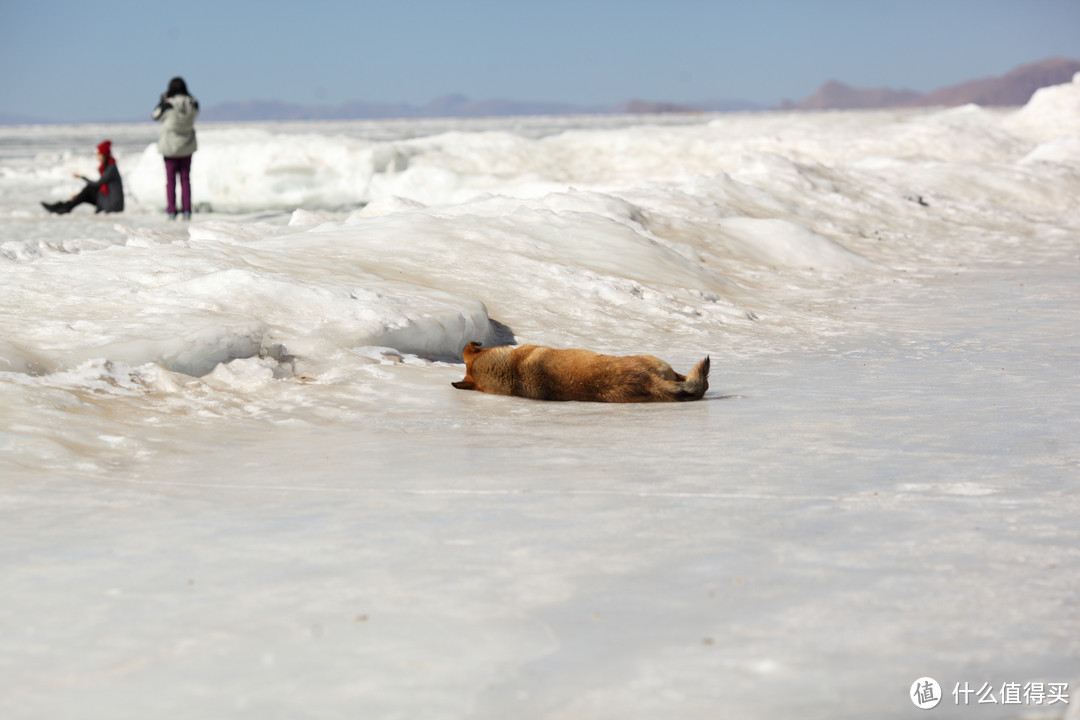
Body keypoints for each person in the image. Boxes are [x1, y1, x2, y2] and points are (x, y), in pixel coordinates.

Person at [153, 76, 199, 220]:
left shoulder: (168, 104)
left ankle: (171, 211)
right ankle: (186, 211)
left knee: (170, 180)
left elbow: (156, 116)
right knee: (185, 179)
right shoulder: (193, 103)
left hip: (170, 147)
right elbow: (196, 114)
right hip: (187, 145)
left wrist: (162, 101)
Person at [41, 140, 124, 214]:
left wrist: (82, 177)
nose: (97, 157)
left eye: (98, 154)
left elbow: (98, 184)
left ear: (104, 154)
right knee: (86, 192)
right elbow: (100, 186)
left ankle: (64, 207)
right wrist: (79, 195)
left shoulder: (111, 167)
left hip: (114, 205)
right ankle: (63, 207)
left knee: (88, 189)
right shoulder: (107, 166)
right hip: (108, 201)